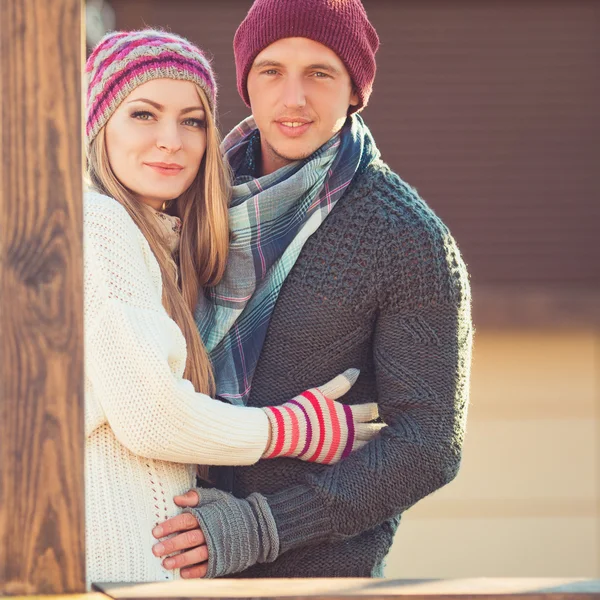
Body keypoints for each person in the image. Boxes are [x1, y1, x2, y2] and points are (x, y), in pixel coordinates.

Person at [153, 0, 473, 581]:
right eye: (271, 70)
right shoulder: (190, 202)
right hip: (164, 559)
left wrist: (261, 527)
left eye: (319, 73)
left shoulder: (405, 236)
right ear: (247, 83)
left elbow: (429, 442)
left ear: (355, 88)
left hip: (315, 577)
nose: (293, 98)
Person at [83, 29, 383, 586]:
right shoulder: (100, 225)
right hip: (109, 574)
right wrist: (291, 430)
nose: (171, 140)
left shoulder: (156, 239)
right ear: (98, 124)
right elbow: (153, 418)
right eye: (144, 115)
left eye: (192, 120)